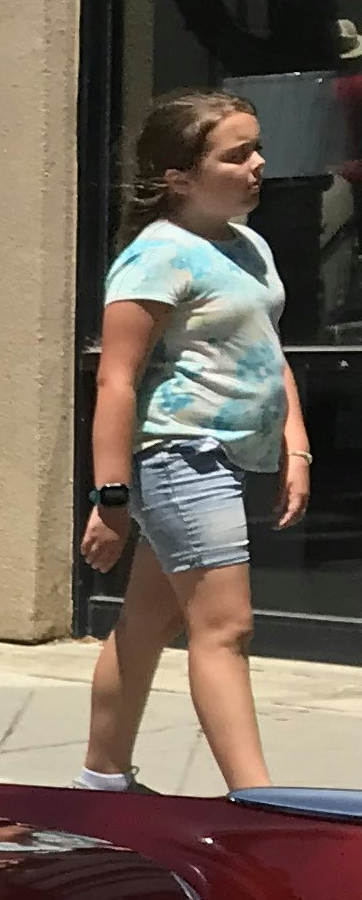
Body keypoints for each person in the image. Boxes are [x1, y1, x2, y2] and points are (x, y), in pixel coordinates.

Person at [82, 88, 315, 793]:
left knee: (148, 620)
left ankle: (100, 782)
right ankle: (259, 802)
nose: (258, 164)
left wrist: (295, 444)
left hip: (231, 455)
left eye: (257, 148)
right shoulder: (156, 257)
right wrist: (112, 497)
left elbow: (268, 352)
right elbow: (116, 382)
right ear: (179, 177)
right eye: (236, 154)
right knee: (226, 628)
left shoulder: (247, 246)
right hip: (181, 454)